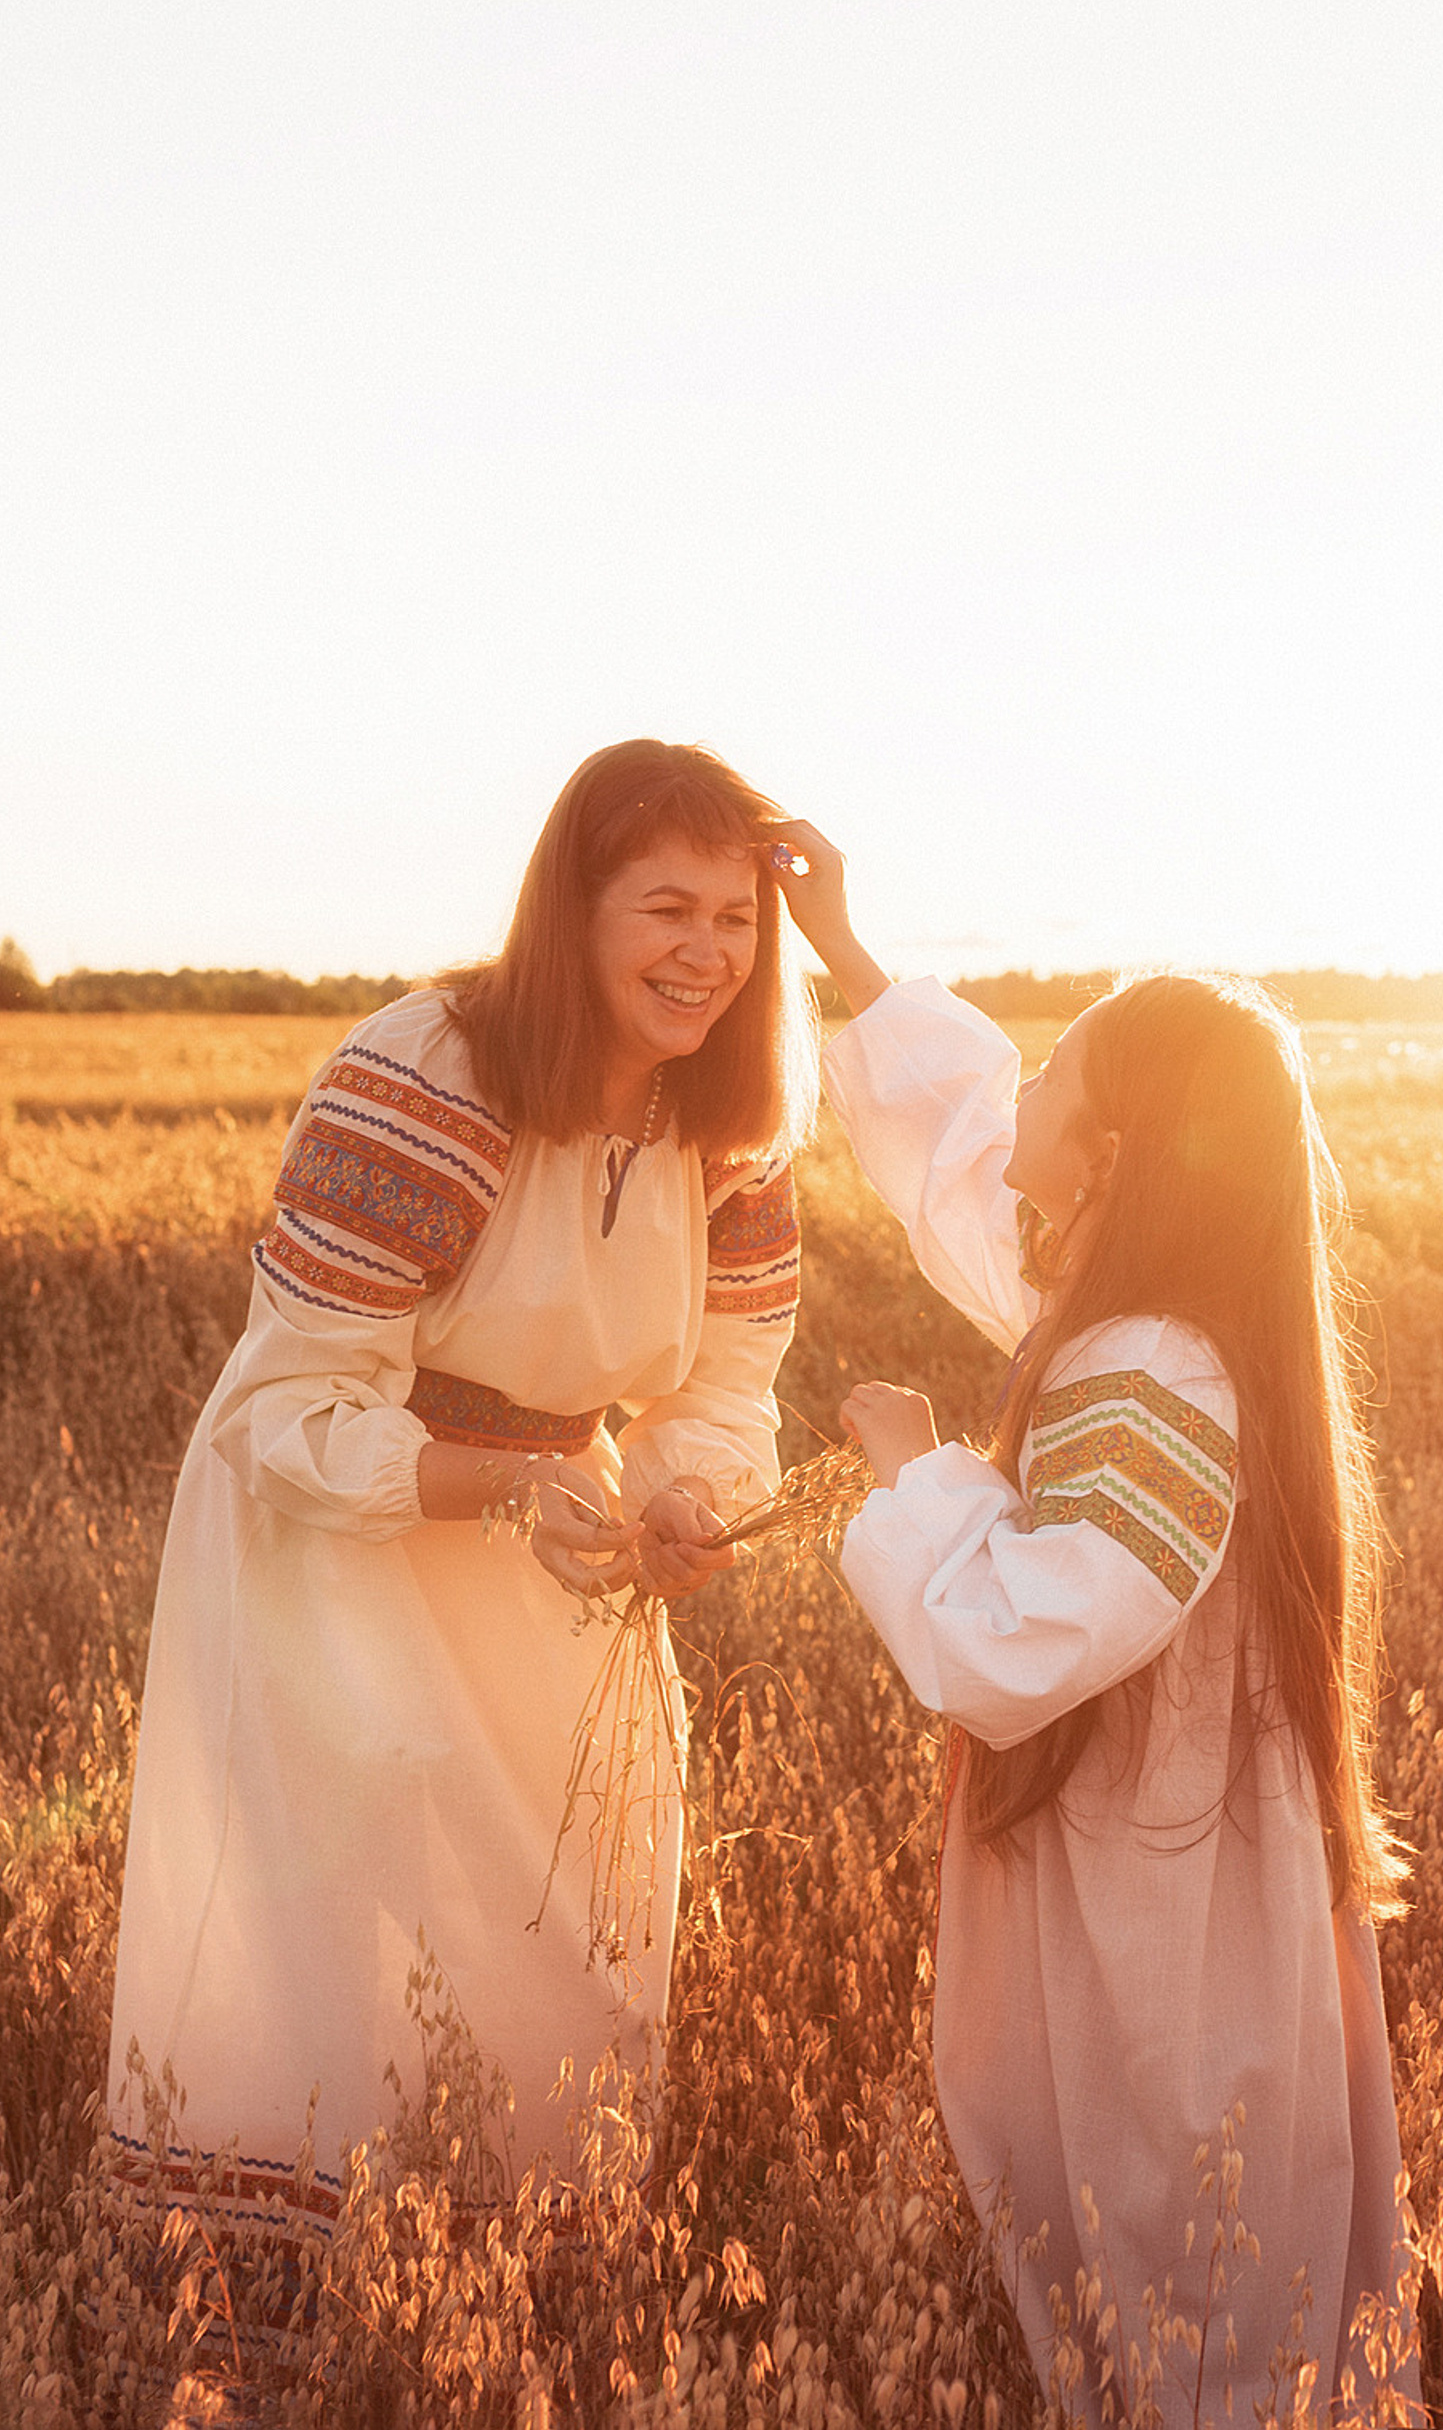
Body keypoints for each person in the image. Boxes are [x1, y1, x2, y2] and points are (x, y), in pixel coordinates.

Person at [106, 741, 815, 2251]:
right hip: (341, 1532)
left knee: (569, 1929)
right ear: (573, 911)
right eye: (666, 909)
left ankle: (495, 2299)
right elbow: (288, 1407)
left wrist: (688, 1499)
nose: (706, 953)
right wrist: (516, 1478)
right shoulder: (429, 1074)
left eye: (738, 919)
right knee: (336, 1944)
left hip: (557, 1537)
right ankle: (294, 2310)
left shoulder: (736, 1122)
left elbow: (726, 1380)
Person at [761, 820, 1417, 2421]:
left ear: (1115, 1156)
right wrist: (846, 953)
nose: (1021, 1101)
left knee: (1176, 2225)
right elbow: (981, 1163)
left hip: (1158, 1873)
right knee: (1162, 2232)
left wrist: (918, 1475)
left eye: (1056, 1073)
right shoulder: (1137, 1324)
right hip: (1159, 1843)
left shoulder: (1152, 1369)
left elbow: (1014, 1643)